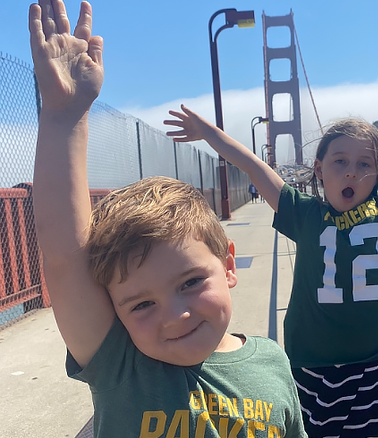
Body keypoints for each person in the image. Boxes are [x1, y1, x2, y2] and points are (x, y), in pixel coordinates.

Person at [164, 13, 378, 437]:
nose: (352, 172)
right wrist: (208, 131)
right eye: (340, 162)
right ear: (319, 170)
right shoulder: (304, 213)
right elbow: (253, 166)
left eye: (365, 164)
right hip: (313, 371)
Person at [29, 1, 307, 437]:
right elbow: (65, 256)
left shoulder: (273, 363)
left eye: (191, 282)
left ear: (229, 265)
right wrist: (66, 115)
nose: (175, 315)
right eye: (141, 304)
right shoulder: (120, 365)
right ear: (114, 309)